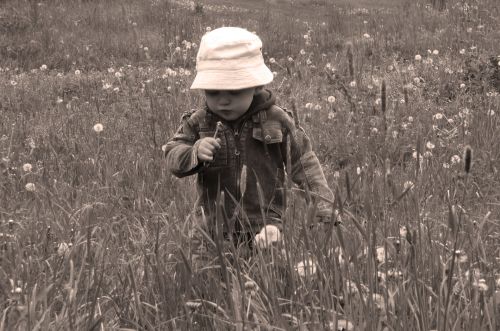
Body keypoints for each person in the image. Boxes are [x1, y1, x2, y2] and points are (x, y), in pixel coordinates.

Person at [164, 27, 334, 251]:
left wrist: (323, 206)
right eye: (213, 92)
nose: (223, 101)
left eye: (233, 91)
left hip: (264, 226)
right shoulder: (200, 121)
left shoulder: (277, 120)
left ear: (257, 86)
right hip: (212, 227)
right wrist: (193, 152)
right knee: (209, 281)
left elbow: (304, 160)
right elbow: (172, 152)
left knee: (267, 278)